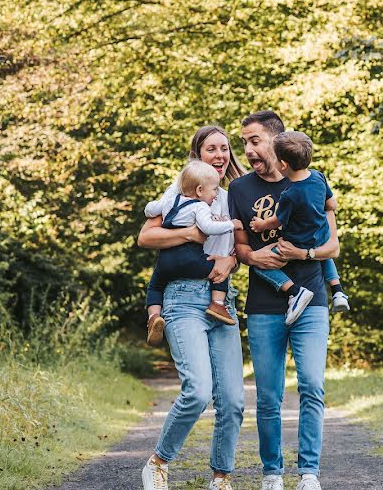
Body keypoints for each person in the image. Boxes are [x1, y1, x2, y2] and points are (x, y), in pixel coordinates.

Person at [228, 111, 340, 490]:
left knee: (312, 385)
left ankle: (308, 473)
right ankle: (272, 474)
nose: (248, 149)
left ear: (277, 142)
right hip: (264, 305)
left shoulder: (310, 181)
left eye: (254, 140)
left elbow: (332, 244)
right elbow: (240, 246)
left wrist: (303, 256)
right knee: (268, 395)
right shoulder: (239, 190)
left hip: (312, 302)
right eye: (243, 142)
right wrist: (252, 257)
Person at [137, 125, 247, 490]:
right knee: (198, 391)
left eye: (225, 149)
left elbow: (244, 244)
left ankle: (221, 477)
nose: (219, 155)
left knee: (232, 400)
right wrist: (189, 233)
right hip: (183, 297)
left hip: (222, 300)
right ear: (197, 155)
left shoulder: (235, 195)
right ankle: (158, 462)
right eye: (211, 149)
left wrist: (232, 261)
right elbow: (146, 236)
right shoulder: (180, 191)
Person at [249, 130, 350, 325]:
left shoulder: (290, 195)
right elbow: (332, 205)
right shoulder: (318, 177)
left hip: (295, 243)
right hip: (320, 235)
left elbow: (276, 221)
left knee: (259, 265)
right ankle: (338, 291)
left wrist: (261, 225)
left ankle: (295, 292)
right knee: (324, 255)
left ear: (284, 165)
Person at [143, 160, 245, 346]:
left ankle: (154, 317)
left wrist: (152, 207)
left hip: (166, 259)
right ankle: (218, 305)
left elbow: (151, 209)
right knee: (219, 271)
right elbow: (208, 227)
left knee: (155, 285)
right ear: (199, 191)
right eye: (213, 190)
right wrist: (232, 224)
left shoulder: (170, 200)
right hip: (189, 258)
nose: (215, 194)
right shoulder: (200, 206)